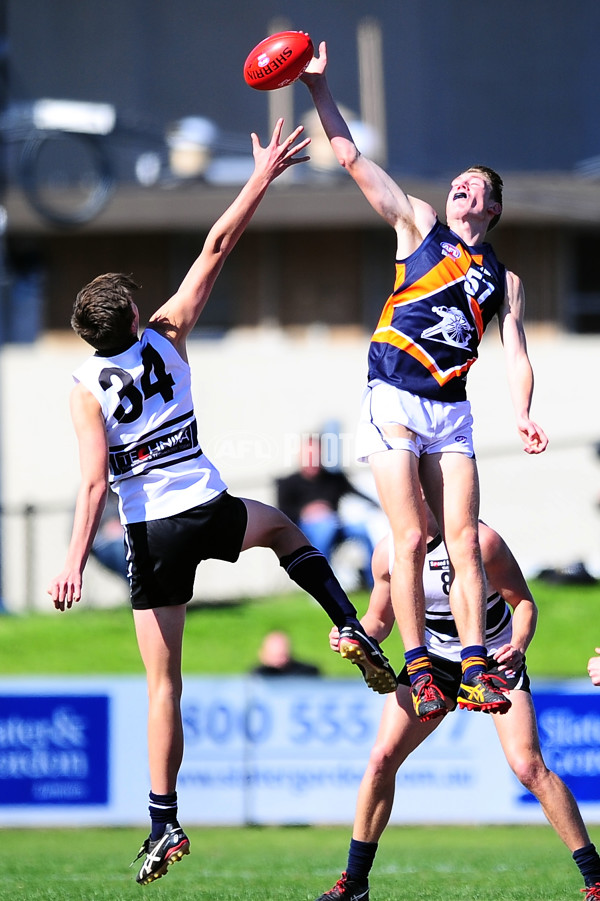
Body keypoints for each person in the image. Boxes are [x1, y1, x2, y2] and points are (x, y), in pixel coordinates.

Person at [46, 120, 397, 887]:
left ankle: (165, 821)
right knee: (281, 531)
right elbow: (216, 246)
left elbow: (93, 484)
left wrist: (73, 561)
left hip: (151, 534)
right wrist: (262, 173)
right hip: (208, 505)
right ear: (134, 321)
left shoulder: (82, 389)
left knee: (163, 683)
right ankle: (348, 623)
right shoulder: (168, 336)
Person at [301, 44, 549, 722]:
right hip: (394, 396)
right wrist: (321, 89)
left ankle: (473, 666)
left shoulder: (505, 279)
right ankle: (419, 665)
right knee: (408, 538)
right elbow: (351, 159)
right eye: (458, 184)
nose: (461, 190)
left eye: (476, 188)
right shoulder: (419, 227)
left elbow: (516, 351)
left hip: (451, 407)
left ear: (493, 207)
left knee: (462, 540)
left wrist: (524, 411)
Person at [316, 508, 600, 901]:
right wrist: (354, 635)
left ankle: (595, 878)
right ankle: (355, 884)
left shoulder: (482, 542)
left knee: (529, 768)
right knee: (381, 759)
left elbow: (524, 604)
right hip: (431, 662)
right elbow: (379, 621)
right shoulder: (388, 552)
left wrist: (517, 647)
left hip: (491, 659)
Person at [276, 434, 380, 588]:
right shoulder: (288, 483)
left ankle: (376, 583)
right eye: (308, 455)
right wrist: (306, 512)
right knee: (325, 526)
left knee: (361, 529)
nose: (312, 459)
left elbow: (356, 493)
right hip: (306, 531)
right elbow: (281, 513)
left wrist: (379, 504)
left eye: (316, 455)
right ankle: (321, 584)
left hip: (337, 526)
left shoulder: (334, 478)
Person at [251, 630, 321, 677]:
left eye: (282, 656)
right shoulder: (257, 676)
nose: (279, 662)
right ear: (262, 655)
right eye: (275, 656)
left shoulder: (306, 673)